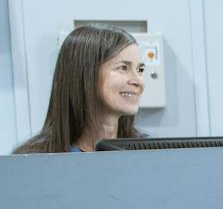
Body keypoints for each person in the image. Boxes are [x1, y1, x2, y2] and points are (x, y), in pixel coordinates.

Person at [13, 25, 145, 153]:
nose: (138, 81)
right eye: (123, 68)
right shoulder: (32, 164)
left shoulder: (151, 153)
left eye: (140, 70)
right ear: (85, 74)